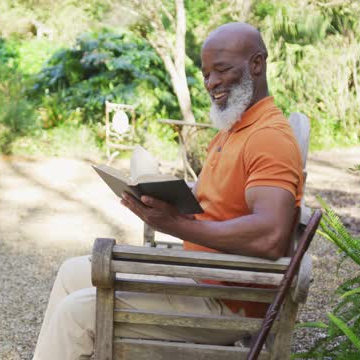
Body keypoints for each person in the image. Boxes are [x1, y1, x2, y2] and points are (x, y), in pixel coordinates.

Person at [32, 22, 304, 360]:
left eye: (221, 70)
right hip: (202, 279)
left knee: (76, 314)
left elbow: (270, 235)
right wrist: (161, 193)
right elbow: (219, 199)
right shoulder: (233, 130)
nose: (211, 83)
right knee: (74, 271)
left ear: (256, 64)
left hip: (226, 300)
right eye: (206, 74)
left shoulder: (268, 136)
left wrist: (174, 224)